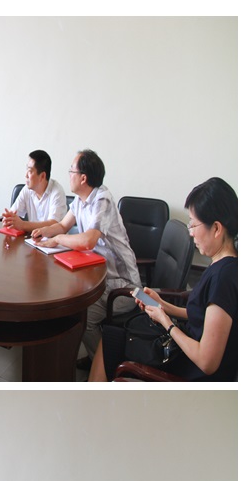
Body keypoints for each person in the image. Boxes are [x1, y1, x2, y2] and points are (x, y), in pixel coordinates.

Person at [89, 176, 238, 382]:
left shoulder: (224, 278)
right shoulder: (223, 265)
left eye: (194, 225)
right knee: (112, 336)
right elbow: (202, 317)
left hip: (189, 368)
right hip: (182, 348)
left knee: (111, 340)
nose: (191, 233)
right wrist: (162, 306)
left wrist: (166, 322)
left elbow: (207, 362)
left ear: (216, 229)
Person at [31, 149, 140, 361]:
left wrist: (58, 239)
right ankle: (94, 359)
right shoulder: (81, 200)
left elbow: (88, 240)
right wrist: (43, 231)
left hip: (122, 285)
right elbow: (63, 225)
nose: (68, 175)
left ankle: (105, 368)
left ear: (83, 178)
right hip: (98, 275)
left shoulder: (102, 199)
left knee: (83, 318)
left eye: (71, 171)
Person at [1, 149, 68, 233]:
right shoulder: (27, 189)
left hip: (53, 239)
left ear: (42, 176)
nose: (26, 175)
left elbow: (54, 224)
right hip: (33, 238)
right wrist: (8, 219)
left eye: (30, 171)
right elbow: (13, 213)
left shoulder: (57, 192)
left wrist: (23, 225)